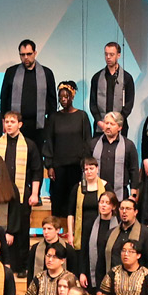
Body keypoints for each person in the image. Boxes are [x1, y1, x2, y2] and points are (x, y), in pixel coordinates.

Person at [0, 112, 42, 265]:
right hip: (0, 192)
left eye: (12, 121)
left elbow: (36, 170)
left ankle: (21, 265)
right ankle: (0, 262)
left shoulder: (29, 144)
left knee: (21, 229)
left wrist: (35, 194)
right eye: (6, 121)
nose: (8, 124)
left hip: (22, 193)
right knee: (0, 228)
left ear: (20, 124)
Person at [44, 81, 93, 219]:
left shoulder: (82, 116)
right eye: (61, 97)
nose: (64, 100)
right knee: (58, 202)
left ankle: (73, 234)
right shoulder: (54, 117)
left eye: (66, 96)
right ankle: (57, 234)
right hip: (58, 168)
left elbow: (87, 141)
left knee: (75, 202)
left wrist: (85, 163)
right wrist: (50, 165)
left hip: (76, 167)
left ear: (72, 97)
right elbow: (49, 142)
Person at [0, 39, 56, 149]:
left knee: (37, 157)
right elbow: (4, 97)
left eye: (29, 54)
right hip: (16, 123)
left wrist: (51, 123)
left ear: (35, 53)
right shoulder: (11, 72)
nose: (26, 57)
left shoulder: (46, 73)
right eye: (22, 55)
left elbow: (52, 100)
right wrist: (4, 120)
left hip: (39, 125)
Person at [91, 113, 141, 201]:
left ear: (120, 127)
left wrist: (133, 194)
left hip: (120, 194)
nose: (108, 126)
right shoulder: (93, 144)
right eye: (106, 123)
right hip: (97, 192)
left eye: (112, 124)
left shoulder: (128, 145)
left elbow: (134, 170)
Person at [90, 42, 136, 134]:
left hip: (120, 126)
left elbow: (129, 104)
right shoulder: (97, 77)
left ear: (118, 55)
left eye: (111, 54)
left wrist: (117, 123)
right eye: (106, 54)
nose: (108, 57)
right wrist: (100, 122)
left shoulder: (127, 78)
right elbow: (93, 104)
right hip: (101, 127)